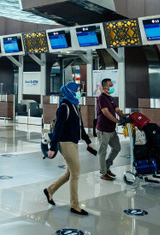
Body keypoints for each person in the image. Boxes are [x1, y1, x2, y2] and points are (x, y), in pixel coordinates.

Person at [44, 82, 96, 216]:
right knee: (76, 173)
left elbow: (80, 126)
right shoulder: (64, 107)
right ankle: (75, 205)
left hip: (74, 142)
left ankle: (50, 190)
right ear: (71, 91)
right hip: (65, 143)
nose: (80, 92)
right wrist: (52, 147)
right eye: (78, 90)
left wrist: (88, 141)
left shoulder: (75, 105)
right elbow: (58, 128)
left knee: (70, 173)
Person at [96, 78, 127, 181]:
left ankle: (107, 167)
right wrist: (117, 121)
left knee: (116, 148)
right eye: (110, 85)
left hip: (111, 130)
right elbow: (106, 112)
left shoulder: (110, 97)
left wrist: (124, 117)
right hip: (103, 129)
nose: (112, 87)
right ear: (105, 87)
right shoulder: (101, 98)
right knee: (102, 152)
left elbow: (116, 109)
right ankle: (103, 173)